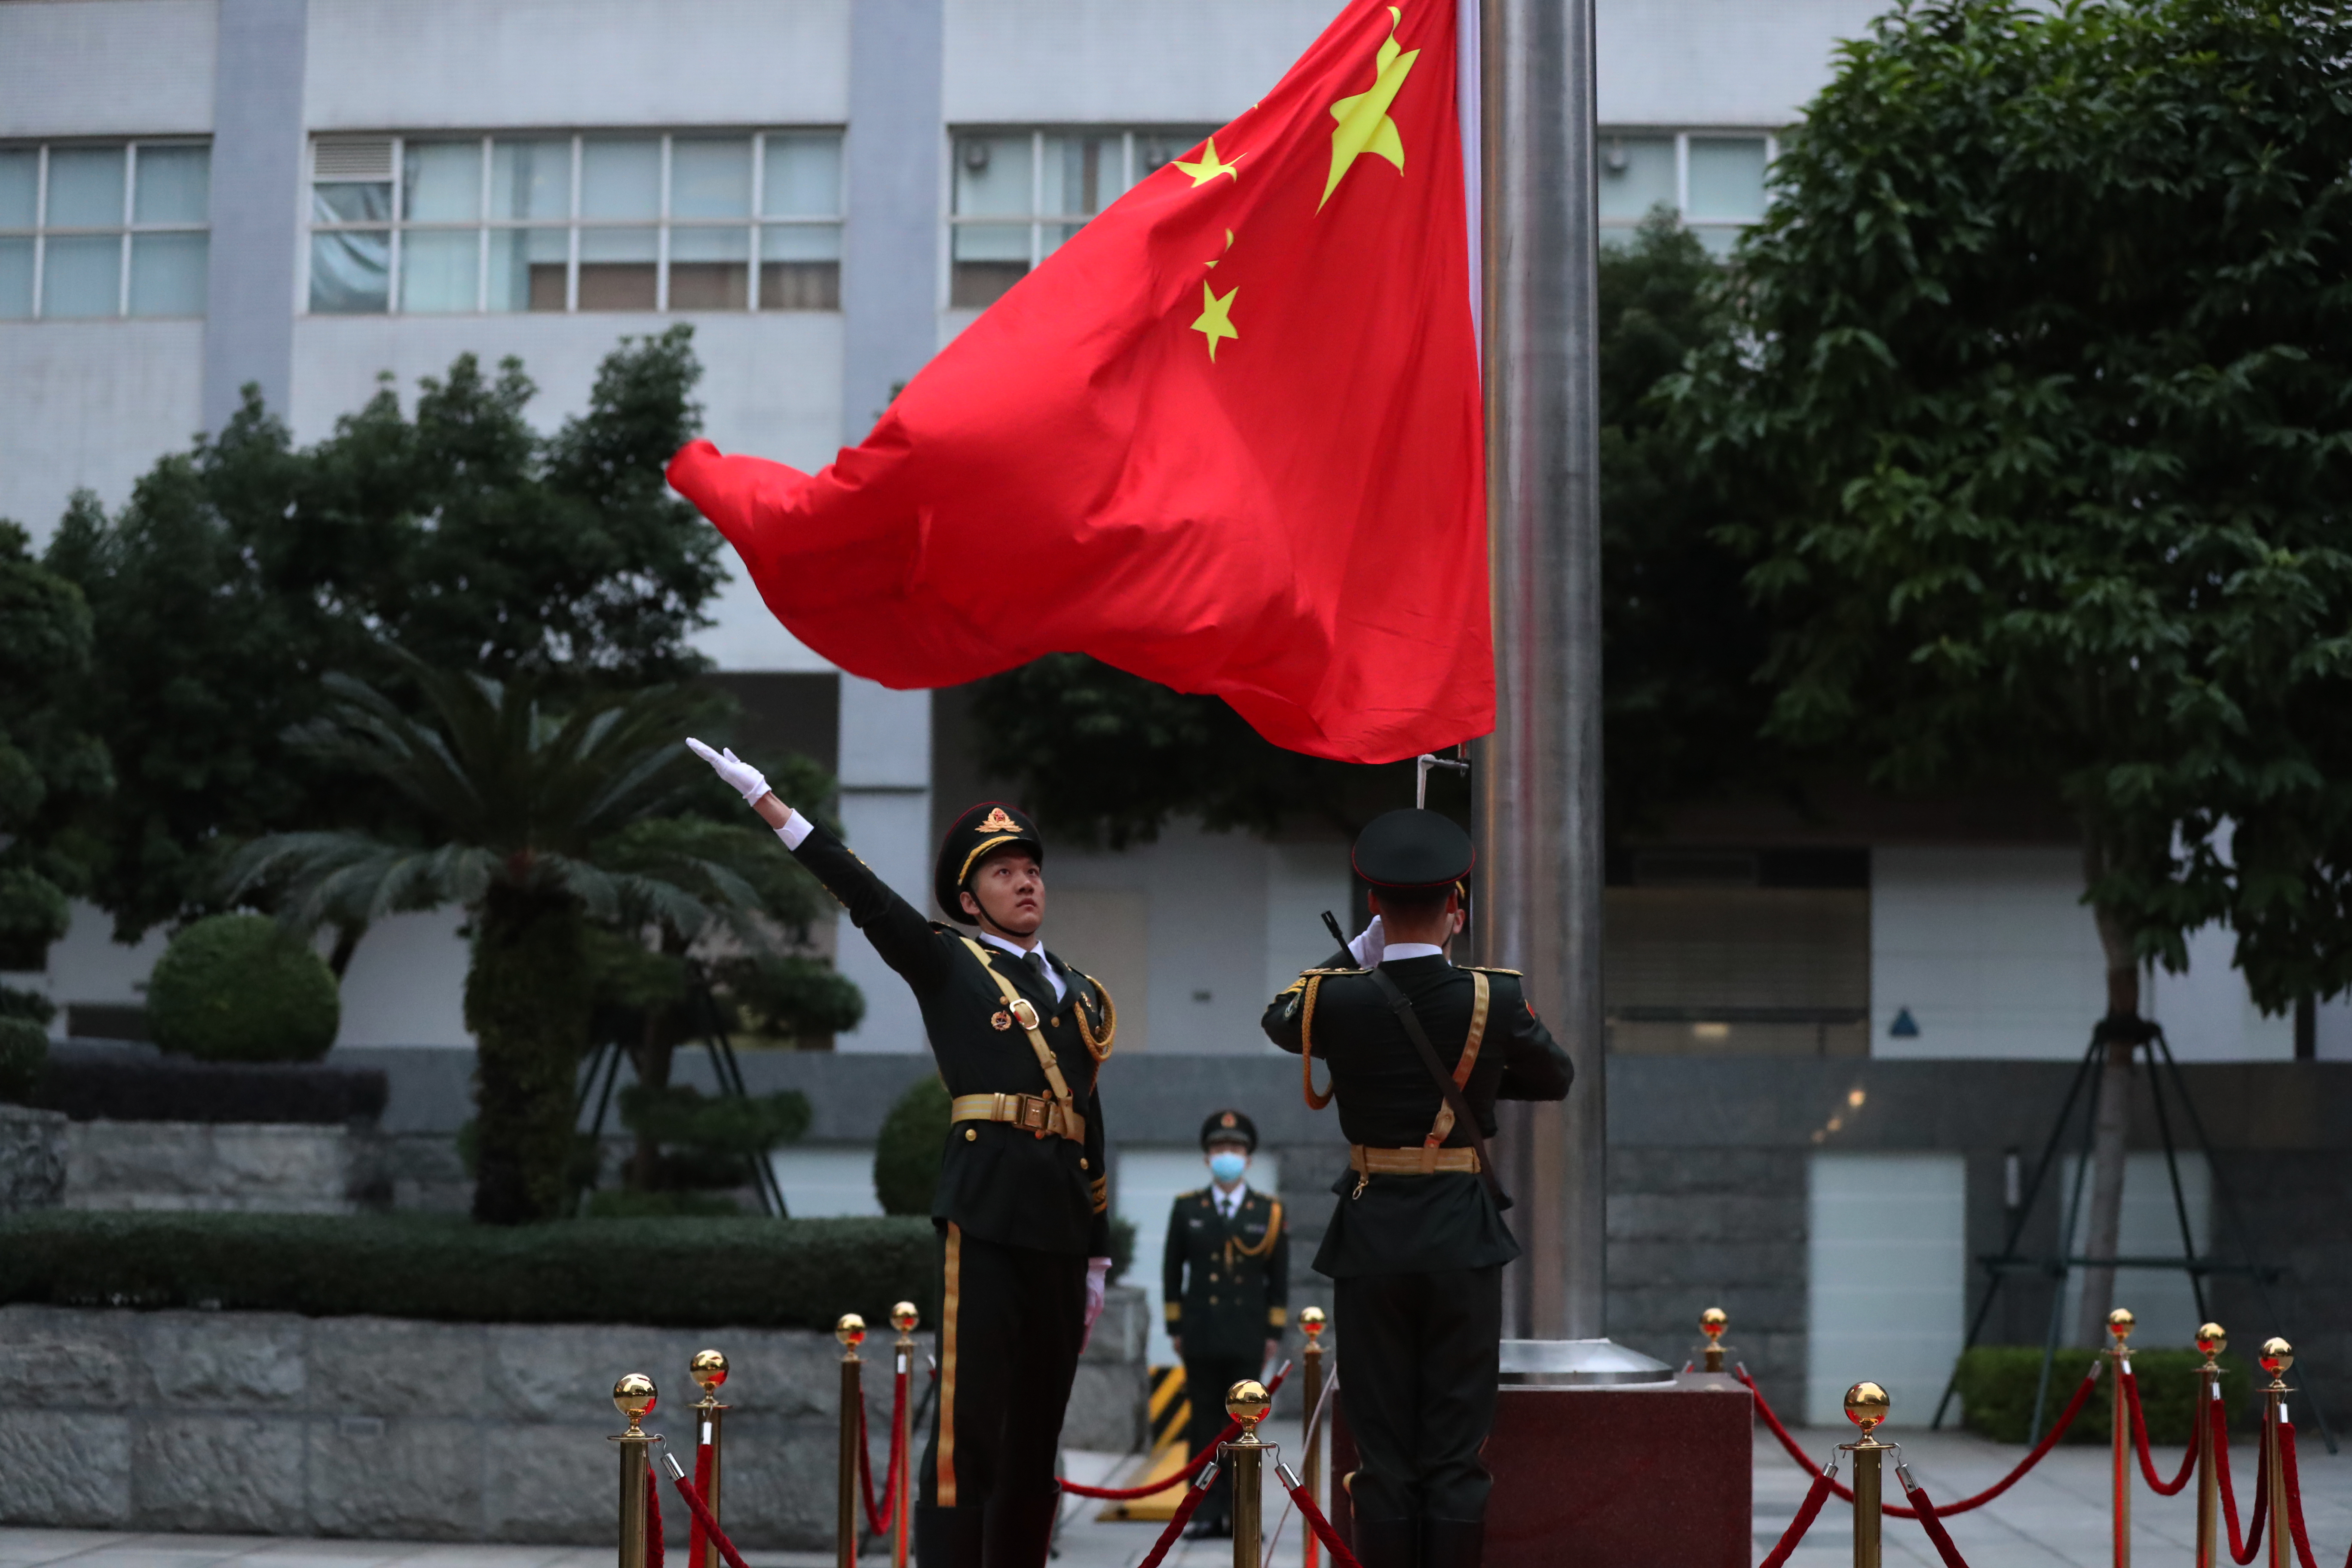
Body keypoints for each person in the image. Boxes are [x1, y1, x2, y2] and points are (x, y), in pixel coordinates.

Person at [688, 740, 1117, 1568]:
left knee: (1038, 1429)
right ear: (968, 896)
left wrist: (1098, 1252)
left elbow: (1088, 1118)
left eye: (1031, 867)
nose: (1026, 881)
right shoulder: (950, 961)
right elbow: (864, 895)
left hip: (1063, 1223)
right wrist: (770, 801)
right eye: (1003, 872)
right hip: (986, 1210)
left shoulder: (1080, 990)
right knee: (969, 1421)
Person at [1261, 808, 1573, 1568]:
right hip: (1459, 1235)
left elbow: (1279, 1018)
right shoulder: (1494, 998)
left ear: (1372, 905)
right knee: (1456, 1448)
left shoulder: (1335, 997)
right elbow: (1555, 1076)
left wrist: (1356, 959)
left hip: (1371, 1238)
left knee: (1382, 1451)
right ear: (1455, 907)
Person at [1161, 1108, 1289, 1540]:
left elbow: (1279, 1278)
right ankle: (1202, 1515)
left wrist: (1273, 1333)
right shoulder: (1187, 1209)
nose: (1227, 1155)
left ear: (1248, 1158)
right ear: (1207, 1158)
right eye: (1219, 1149)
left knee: (1243, 1430)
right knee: (1201, 1426)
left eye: (1234, 1149)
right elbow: (1171, 1272)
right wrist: (1174, 1328)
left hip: (1246, 1335)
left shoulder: (1268, 1212)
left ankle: (1242, 1515)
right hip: (1199, 1333)